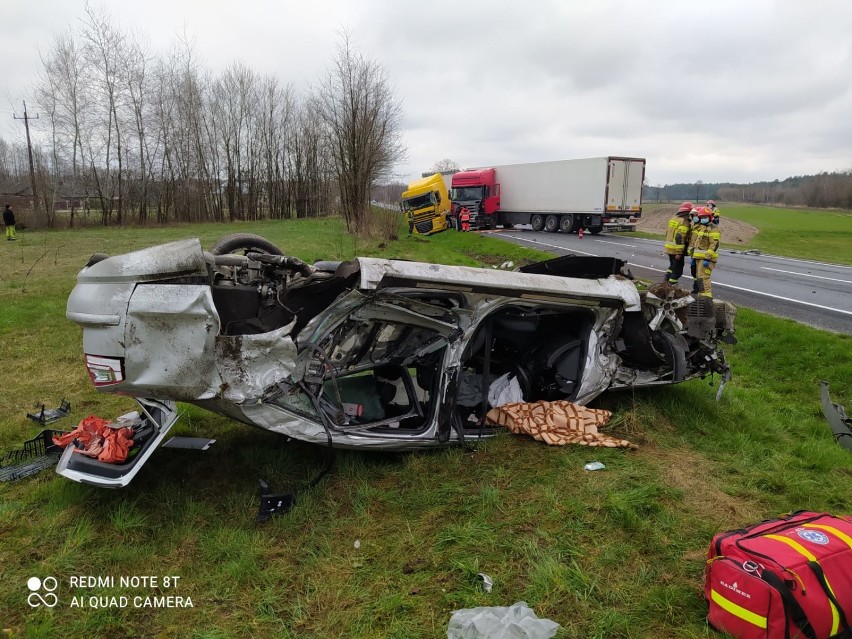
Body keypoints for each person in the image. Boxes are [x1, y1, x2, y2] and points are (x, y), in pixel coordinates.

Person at [688, 207, 721, 297]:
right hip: (699, 258)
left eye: (704, 217)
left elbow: (713, 245)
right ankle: (701, 297)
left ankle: (707, 299)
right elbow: (697, 244)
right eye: (701, 218)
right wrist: (693, 257)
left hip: (707, 259)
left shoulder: (714, 229)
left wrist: (707, 258)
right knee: (699, 279)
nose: (702, 219)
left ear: (710, 217)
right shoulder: (702, 228)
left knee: (704, 279)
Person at [663, 201, 693, 285]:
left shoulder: (674, 218)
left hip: (669, 248)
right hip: (676, 250)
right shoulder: (684, 222)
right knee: (677, 271)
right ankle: (671, 286)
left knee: (672, 266)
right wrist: (679, 252)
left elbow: (667, 232)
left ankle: (665, 281)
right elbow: (679, 237)